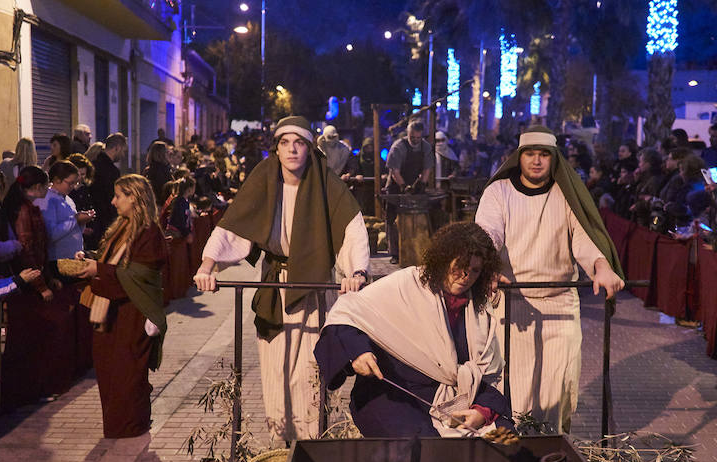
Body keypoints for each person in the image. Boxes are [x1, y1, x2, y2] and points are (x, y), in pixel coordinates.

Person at [193, 116, 370, 444]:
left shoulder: (325, 182)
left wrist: (357, 272)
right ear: (276, 147)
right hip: (275, 287)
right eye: (285, 142)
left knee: (309, 371)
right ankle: (281, 446)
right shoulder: (265, 178)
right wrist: (208, 266)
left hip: (314, 287)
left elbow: (351, 228)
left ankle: (312, 445)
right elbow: (234, 224)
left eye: (299, 142)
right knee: (276, 370)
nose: (292, 149)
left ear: (308, 146)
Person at [475, 125, 624, 434]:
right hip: (513, 304)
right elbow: (488, 232)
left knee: (559, 387)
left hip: (560, 304)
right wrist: (487, 264)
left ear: (553, 158)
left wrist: (600, 265)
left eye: (544, 154)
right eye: (530, 154)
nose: (537, 161)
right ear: (519, 156)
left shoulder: (564, 194)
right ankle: (514, 453)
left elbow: (584, 239)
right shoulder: (498, 192)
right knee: (514, 387)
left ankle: (550, 451)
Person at [315, 222, 514, 437]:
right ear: (443, 259)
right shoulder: (406, 285)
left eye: (475, 270)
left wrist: (481, 412)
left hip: (450, 398)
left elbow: (487, 375)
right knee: (421, 442)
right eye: (460, 266)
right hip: (391, 395)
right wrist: (358, 352)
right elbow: (347, 314)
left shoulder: (477, 312)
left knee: (504, 437)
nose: (465, 276)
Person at [76, 174, 167, 438]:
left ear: (134, 198)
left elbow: (142, 273)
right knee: (109, 371)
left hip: (131, 314)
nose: (113, 201)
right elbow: (117, 263)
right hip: (111, 314)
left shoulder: (149, 232)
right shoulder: (122, 225)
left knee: (127, 374)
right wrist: (92, 259)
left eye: (118, 196)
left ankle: (130, 427)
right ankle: (118, 425)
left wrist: (99, 269)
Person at [2, 166, 56, 301]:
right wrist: (41, 286)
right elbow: (27, 249)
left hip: (30, 275)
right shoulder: (24, 211)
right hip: (29, 279)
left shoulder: (24, 206)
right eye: (47, 185)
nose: (48, 189)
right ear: (38, 187)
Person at [385, 120, 434, 264]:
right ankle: (395, 253)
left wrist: (422, 185)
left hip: (414, 183)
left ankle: (417, 249)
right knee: (393, 219)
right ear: (408, 134)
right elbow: (394, 171)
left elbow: (427, 169)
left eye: (418, 138)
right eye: (413, 137)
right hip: (396, 185)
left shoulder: (425, 147)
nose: (416, 140)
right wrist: (403, 187)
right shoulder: (398, 147)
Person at [36, 161, 92, 269]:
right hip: (58, 259)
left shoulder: (68, 199)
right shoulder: (47, 199)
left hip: (73, 257)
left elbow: (73, 229)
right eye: (70, 183)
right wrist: (75, 219)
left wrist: (82, 222)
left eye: (75, 183)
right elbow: (50, 234)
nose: (73, 187)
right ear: (57, 180)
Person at [91, 133, 127, 245]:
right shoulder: (112, 171)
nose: (123, 155)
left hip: (92, 218)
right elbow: (111, 196)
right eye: (123, 151)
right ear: (117, 147)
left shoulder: (93, 164)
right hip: (105, 220)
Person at [144, 140, 173, 209]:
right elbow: (162, 189)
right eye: (167, 152)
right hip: (161, 205)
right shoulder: (159, 170)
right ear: (161, 154)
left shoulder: (151, 168)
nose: (169, 154)